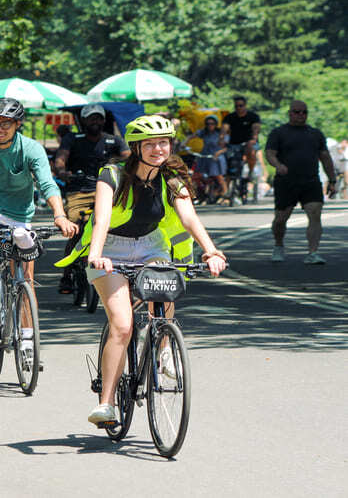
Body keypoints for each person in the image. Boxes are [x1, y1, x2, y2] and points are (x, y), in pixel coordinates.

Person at [54, 115, 227, 425]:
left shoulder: (172, 178)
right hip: (110, 249)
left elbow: (189, 218)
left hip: (151, 245)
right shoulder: (113, 174)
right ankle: (107, 404)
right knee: (122, 324)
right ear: (135, 147)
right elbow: (103, 218)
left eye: (163, 143)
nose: (157, 149)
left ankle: (163, 346)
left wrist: (210, 250)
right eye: (149, 144)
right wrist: (95, 254)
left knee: (166, 280)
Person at [0, 97, 78, 343]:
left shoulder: (31, 148)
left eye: (6, 123)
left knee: (25, 279)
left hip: (18, 215)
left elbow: (46, 183)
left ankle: (29, 339)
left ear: (18, 123)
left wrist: (60, 216)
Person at [53, 103, 130, 294]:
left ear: (104, 121)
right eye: (91, 118)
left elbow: (130, 157)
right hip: (79, 190)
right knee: (75, 228)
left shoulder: (114, 141)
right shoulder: (73, 139)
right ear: (84, 121)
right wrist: (62, 171)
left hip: (109, 190)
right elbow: (61, 158)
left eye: (98, 118)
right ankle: (67, 275)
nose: (95, 121)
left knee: (117, 224)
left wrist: (126, 166)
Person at [265, 100, 337, 265]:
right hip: (286, 181)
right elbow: (270, 153)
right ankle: (278, 245)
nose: (300, 115)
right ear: (290, 113)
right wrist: (278, 165)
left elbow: (325, 158)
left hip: (310, 180)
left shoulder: (315, 134)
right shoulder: (279, 133)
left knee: (314, 213)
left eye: (304, 112)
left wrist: (332, 180)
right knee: (281, 219)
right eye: (297, 112)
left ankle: (313, 252)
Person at [221, 96, 260, 200]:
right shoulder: (230, 117)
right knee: (229, 163)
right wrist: (221, 138)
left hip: (249, 143)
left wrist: (254, 138)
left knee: (251, 151)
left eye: (241, 105)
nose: (238, 108)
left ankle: (251, 172)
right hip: (234, 144)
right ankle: (227, 190)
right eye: (236, 106)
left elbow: (256, 129)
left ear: (245, 105)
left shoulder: (253, 116)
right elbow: (224, 129)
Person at [182, 114, 228, 200]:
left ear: (216, 124)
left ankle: (225, 194)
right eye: (208, 123)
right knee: (197, 175)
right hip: (205, 156)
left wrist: (218, 153)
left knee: (218, 176)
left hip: (216, 157)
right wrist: (184, 143)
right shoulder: (203, 132)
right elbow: (191, 136)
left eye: (212, 123)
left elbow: (226, 147)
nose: (210, 125)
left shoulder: (220, 134)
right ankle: (200, 194)